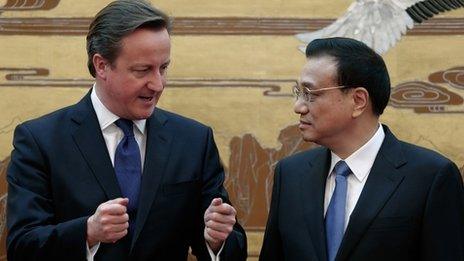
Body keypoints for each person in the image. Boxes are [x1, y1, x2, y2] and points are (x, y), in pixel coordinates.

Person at [6, 1, 247, 260]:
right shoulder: (41, 141)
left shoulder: (193, 141)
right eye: (142, 70)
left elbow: (230, 246)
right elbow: (22, 246)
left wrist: (217, 241)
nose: (157, 84)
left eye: (163, 68)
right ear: (101, 66)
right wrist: (87, 232)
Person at [259, 37, 464, 261]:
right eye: (299, 94)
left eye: (311, 94)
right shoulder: (290, 174)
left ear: (358, 101)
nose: (298, 107)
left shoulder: (431, 177)